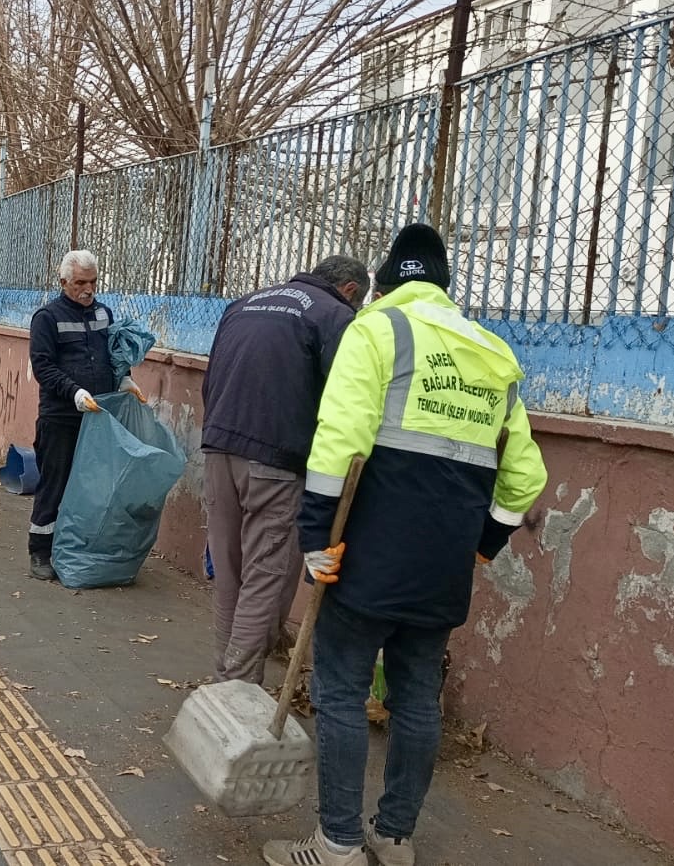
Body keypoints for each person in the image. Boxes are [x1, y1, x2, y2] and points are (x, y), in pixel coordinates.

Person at [264, 224, 548, 866]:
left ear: (385, 285)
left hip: (365, 556)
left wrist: (316, 539)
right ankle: (395, 839)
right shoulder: (495, 354)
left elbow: (341, 440)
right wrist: (486, 544)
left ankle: (337, 844)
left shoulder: (377, 331)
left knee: (340, 689)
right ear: (445, 287)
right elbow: (526, 475)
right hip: (445, 564)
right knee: (417, 696)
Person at [200, 255, 369, 686]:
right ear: (350, 290)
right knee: (264, 576)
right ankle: (236, 689)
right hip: (276, 460)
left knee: (230, 573)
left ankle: (224, 677)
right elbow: (344, 399)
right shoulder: (335, 316)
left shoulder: (244, 304)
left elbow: (210, 379)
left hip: (218, 447)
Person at [25, 250, 144, 581]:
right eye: (80, 283)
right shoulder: (47, 318)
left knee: (93, 487)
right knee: (55, 483)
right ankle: (40, 551)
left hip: (98, 416)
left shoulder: (104, 314)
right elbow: (43, 366)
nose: (88, 289)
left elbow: (112, 354)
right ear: (63, 282)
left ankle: (77, 549)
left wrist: (124, 378)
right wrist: (74, 392)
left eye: (93, 282)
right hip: (60, 417)